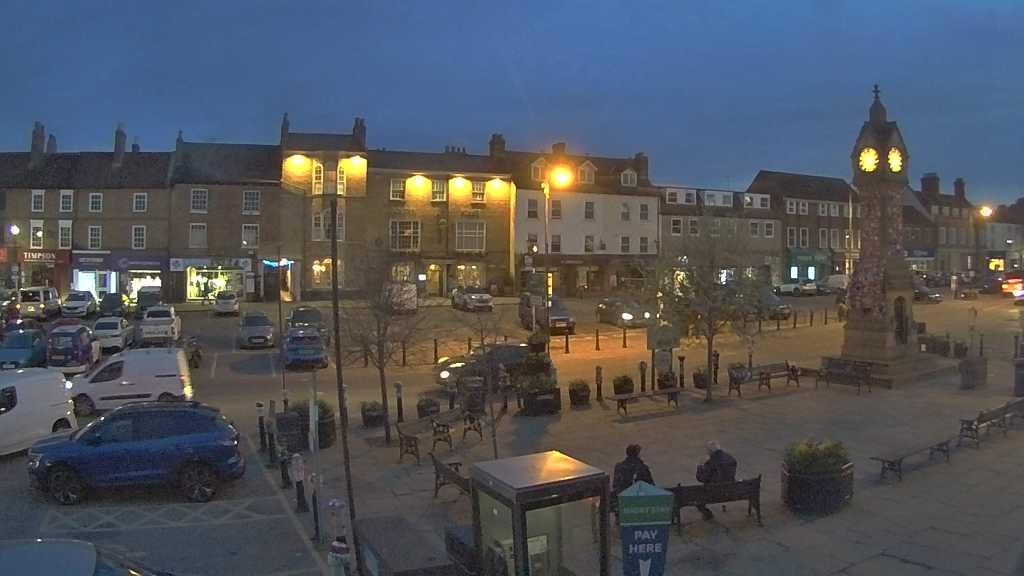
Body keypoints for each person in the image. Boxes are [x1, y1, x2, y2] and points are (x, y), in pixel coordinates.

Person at [695, 441, 737, 520]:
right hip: (731, 490)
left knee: (697, 497)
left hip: (715, 492)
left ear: (710, 452)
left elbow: (701, 478)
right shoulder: (731, 458)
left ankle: (708, 514)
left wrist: (700, 467)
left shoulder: (711, 462)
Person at [612, 444, 654, 512]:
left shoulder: (619, 467)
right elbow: (651, 485)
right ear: (637, 454)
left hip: (622, 500)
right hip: (639, 502)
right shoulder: (643, 468)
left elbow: (615, 485)